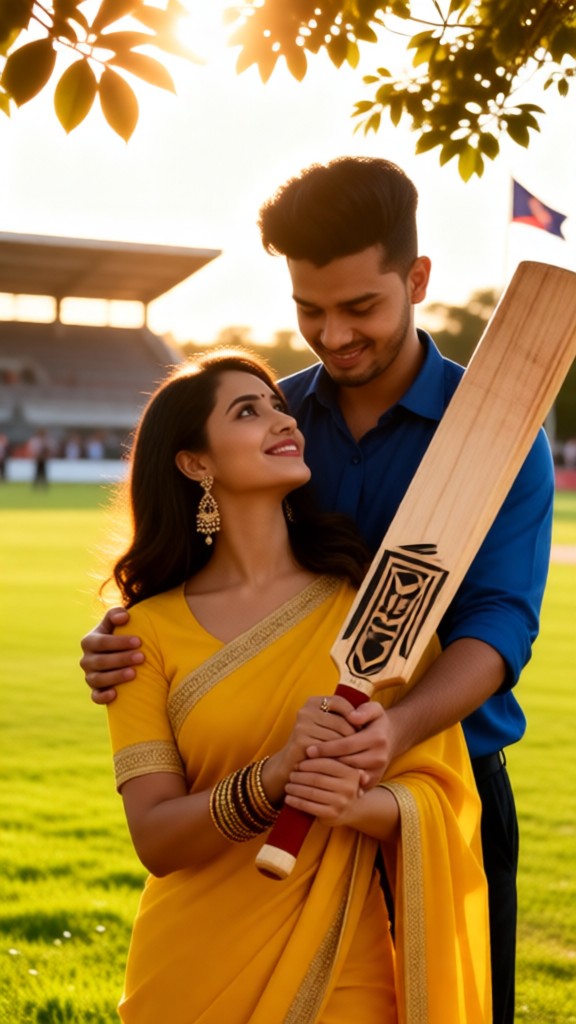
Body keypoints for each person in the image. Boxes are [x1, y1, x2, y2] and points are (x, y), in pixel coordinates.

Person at [81, 157, 554, 1024]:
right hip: (263, 807)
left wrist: (391, 730)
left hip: (433, 785)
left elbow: (498, 623)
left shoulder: (495, 431)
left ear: (416, 279)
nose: (332, 336)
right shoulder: (277, 420)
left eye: (360, 307)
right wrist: (119, 637)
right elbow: (202, 576)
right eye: (309, 310)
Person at [97, 349, 490, 1023]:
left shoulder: (375, 606)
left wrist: (355, 805)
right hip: (188, 972)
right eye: (248, 411)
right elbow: (156, 840)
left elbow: (440, 786)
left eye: (279, 405)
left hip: (344, 959)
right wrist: (274, 778)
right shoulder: (142, 634)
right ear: (196, 463)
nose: (284, 420)